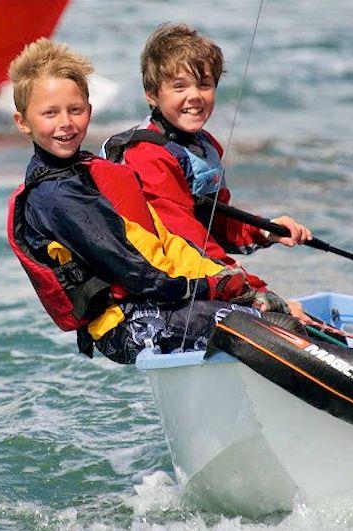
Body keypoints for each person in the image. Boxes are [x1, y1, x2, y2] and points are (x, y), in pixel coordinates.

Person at [6, 38, 285, 364]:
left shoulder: (87, 172)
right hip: (125, 324)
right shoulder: (56, 197)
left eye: (75, 110)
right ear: (23, 122)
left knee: (270, 313)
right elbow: (136, 268)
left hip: (152, 303)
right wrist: (215, 287)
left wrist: (235, 283)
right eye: (50, 113)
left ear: (89, 111)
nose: (66, 123)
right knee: (266, 325)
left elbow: (164, 241)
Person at [102, 23, 313, 322]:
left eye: (204, 84)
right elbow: (188, 242)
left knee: (308, 324)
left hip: (192, 275)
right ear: (152, 94)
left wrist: (265, 229)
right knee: (283, 318)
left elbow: (215, 221)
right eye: (179, 87)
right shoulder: (148, 156)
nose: (195, 96)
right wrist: (258, 293)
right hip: (149, 298)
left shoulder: (204, 147)